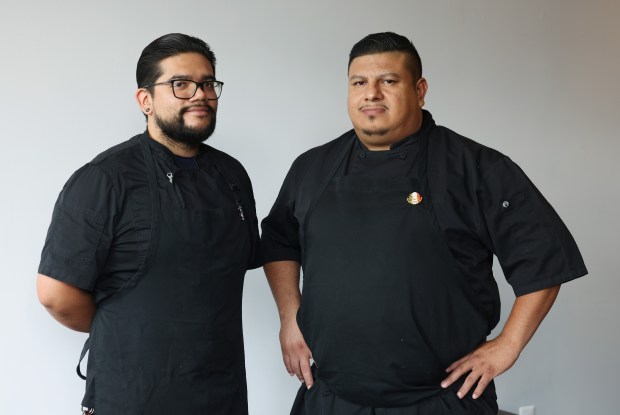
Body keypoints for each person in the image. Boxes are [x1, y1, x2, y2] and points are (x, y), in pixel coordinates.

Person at [261, 32, 587, 414]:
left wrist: (508, 344)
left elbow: (544, 258)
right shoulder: (312, 168)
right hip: (332, 398)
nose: (371, 94)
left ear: (420, 90)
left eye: (388, 81)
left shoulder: (475, 167)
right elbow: (280, 240)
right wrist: (290, 318)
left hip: (440, 400)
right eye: (359, 83)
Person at [37, 33, 260, 415]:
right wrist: (126, 329)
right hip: (132, 393)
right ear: (145, 101)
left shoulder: (232, 175)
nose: (199, 94)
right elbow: (56, 295)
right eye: (181, 84)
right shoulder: (105, 179)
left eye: (208, 83)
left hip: (221, 391)